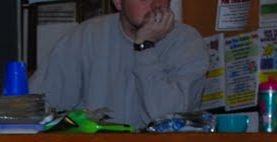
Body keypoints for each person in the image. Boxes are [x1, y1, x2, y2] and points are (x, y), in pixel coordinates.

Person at [33, 0, 207, 128]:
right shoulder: (86, 37)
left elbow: (167, 121)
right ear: (118, 2)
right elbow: (34, 108)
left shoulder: (187, 42)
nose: (156, 5)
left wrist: (145, 47)